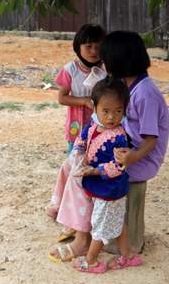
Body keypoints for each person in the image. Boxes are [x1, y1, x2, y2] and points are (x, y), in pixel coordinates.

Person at [49, 78, 142, 273]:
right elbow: (83, 139)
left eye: (118, 111)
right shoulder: (93, 125)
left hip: (109, 190)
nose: (111, 117)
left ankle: (91, 261)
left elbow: (118, 166)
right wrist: (78, 152)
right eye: (106, 111)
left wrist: (94, 170)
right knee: (117, 222)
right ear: (95, 108)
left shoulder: (118, 136)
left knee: (100, 225)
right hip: (103, 188)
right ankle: (128, 256)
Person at [101, 31, 169, 254]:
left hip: (144, 156)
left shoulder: (145, 94)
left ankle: (124, 243)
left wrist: (132, 157)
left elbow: (151, 139)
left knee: (106, 173)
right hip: (132, 148)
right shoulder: (128, 85)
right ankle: (100, 231)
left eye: (106, 59)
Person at [45, 24, 106, 224]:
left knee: (92, 167)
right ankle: (62, 207)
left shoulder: (105, 69)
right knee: (73, 167)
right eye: (88, 46)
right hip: (77, 129)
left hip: (101, 129)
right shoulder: (70, 70)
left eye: (98, 47)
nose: (94, 51)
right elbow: (62, 98)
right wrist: (83, 101)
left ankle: (87, 209)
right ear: (78, 47)